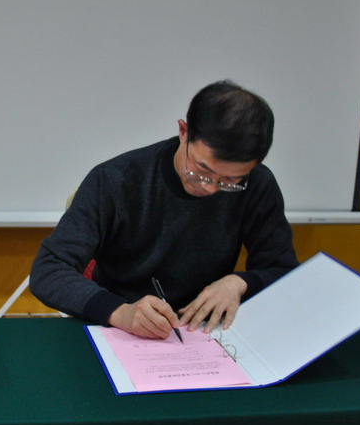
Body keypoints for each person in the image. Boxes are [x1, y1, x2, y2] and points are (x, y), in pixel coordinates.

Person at [29, 80, 297, 339]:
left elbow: (284, 271)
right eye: (202, 169)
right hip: (122, 328)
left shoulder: (258, 183)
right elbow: (48, 270)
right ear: (184, 132)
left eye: (230, 180)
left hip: (207, 333)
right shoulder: (116, 180)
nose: (210, 188)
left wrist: (240, 283)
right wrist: (119, 312)